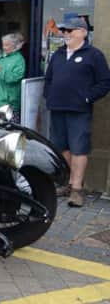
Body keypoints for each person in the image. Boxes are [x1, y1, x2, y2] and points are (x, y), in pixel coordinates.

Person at [44, 17, 110, 207]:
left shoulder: (93, 54)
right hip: (57, 108)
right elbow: (48, 78)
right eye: (64, 31)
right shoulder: (58, 54)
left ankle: (77, 189)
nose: (65, 34)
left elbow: (105, 82)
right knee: (61, 148)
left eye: (70, 31)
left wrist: (87, 97)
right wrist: (49, 95)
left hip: (79, 110)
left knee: (79, 148)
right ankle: (66, 184)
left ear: (82, 32)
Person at [0, 33, 25, 123]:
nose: (4, 47)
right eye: (3, 44)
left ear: (14, 46)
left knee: (9, 132)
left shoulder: (19, 59)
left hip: (9, 103)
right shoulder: (1, 57)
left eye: (7, 45)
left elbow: (14, 78)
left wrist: (0, 70)